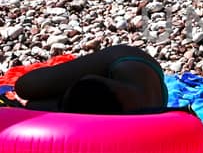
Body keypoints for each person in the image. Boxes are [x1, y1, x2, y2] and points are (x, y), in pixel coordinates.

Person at [14, 44, 168, 114]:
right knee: (26, 86)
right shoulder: (123, 69)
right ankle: (66, 100)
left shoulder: (123, 112)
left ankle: (65, 101)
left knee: (33, 103)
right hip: (124, 60)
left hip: (132, 81)